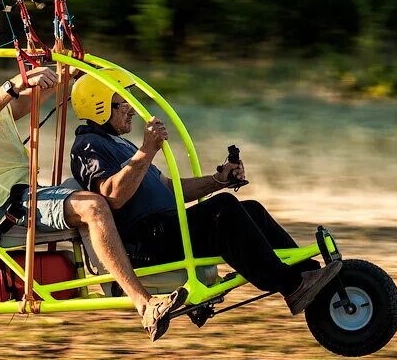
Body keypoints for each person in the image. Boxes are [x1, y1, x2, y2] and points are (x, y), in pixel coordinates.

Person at [0, 0, 186, 340]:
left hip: (22, 192)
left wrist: (60, 79)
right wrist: (15, 83)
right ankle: (145, 304)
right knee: (93, 206)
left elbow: (12, 110)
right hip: (6, 204)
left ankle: (145, 270)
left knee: (97, 189)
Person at [69, 69, 343, 318]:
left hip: (165, 229)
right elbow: (113, 195)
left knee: (251, 209)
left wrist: (218, 180)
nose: (130, 110)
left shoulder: (120, 144)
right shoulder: (87, 146)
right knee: (223, 209)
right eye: (123, 104)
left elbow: (169, 188)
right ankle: (291, 285)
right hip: (145, 243)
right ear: (99, 107)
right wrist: (147, 150)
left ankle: (308, 274)